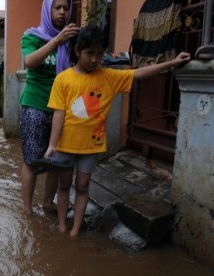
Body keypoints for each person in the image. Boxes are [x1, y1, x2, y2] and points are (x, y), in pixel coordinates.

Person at [43, 24, 191, 237]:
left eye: (99, 54)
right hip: (65, 145)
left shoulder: (109, 77)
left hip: (91, 146)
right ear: (77, 51)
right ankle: (62, 225)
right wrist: (52, 145)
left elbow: (138, 73)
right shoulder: (63, 79)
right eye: (89, 54)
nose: (94, 59)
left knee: (83, 186)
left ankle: (75, 230)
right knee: (64, 186)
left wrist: (172, 62)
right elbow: (58, 114)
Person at [19, 0, 80, 215]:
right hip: (34, 106)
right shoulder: (32, 36)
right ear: (48, 10)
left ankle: (47, 202)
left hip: (61, 109)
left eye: (66, 8)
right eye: (57, 8)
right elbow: (30, 61)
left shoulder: (72, 40)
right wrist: (57, 40)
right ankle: (27, 209)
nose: (62, 12)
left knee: (56, 161)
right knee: (31, 161)